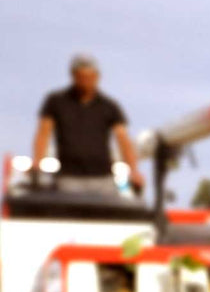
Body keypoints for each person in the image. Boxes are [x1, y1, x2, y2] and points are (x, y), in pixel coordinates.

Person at [32, 54, 145, 195]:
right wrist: (37, 162)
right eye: (81, 76)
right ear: (73, 76)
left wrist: (134, 171)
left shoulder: (109, 106)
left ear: (97, 77)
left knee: (107, 214)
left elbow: (123, 139)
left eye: (89, 77)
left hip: (103, 179)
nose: (86, 81)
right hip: (69, 178)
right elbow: (43, 133)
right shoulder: (56, 102)